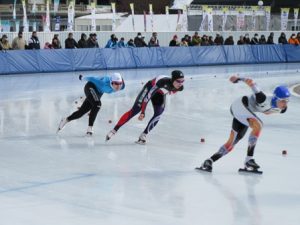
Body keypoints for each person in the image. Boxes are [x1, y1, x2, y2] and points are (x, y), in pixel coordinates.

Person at [197, 75, 290, 172]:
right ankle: (249, 160)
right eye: (283, 101)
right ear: (275, 98)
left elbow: (267, 111)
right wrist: (238, 78)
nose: (285, 104)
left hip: (245, 114)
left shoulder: (281, 109)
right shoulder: (262, 98)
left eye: (287, 101)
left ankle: (208, 161)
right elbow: (252, 83)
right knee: (259, 125)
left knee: (232, 143)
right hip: (240, 105)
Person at [106, 70, 184, 144]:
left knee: (158, 114)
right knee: (136, 110)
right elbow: (147, 97)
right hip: (150, 88)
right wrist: (143, 112)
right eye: (178, 81)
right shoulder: (162, 82)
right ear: (172, 79)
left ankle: (143, 135)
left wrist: (166, 92)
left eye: (182, 81)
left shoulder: (180, 87)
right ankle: (114, 130)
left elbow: (169, 91)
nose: (180, 83)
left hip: (159, 93)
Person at [57, 73, 125, 135]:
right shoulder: (103, 83)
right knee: (97, 104)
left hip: (98, 92)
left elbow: (121, 82)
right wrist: (82, 78)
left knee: (81, 112)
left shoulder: (122, 86)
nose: (118, 86)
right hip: (90, 87)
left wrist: (120, 81)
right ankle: (90, 128)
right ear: (111, 82)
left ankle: (66, 119)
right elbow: (92, 78)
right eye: (116, 83)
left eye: (120, 83)